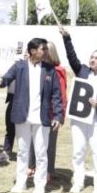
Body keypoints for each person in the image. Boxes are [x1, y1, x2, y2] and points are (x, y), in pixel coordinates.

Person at [0, 38, 62, 193]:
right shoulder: (20, 66)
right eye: (42, 49)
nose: (45, 51)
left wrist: (58, 115)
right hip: (22, 115)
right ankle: (21, 182)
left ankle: (40, 186)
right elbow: (5, 81)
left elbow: (56, 95)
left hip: (42, 117)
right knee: (23, 152)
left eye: (45, 49)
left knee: (41, 152)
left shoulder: (50, 70)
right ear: (32, 51)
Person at [60, 27, 97, 193]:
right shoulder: (82, 71)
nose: (93, 60)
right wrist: (67, 38)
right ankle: (78, 182)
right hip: (79, 120)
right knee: (78, 152)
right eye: (92, 57)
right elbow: (72, 57)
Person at [27, 41, 67, 183]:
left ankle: (48, 171)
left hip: (51, 113)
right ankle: (32, 165)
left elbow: (61, 95)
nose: (42, 52)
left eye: (45, 50)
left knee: (49, 143)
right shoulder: (35, 67)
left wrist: (59, 115)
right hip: (35, 111)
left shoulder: (57, 70)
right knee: (33, 141)